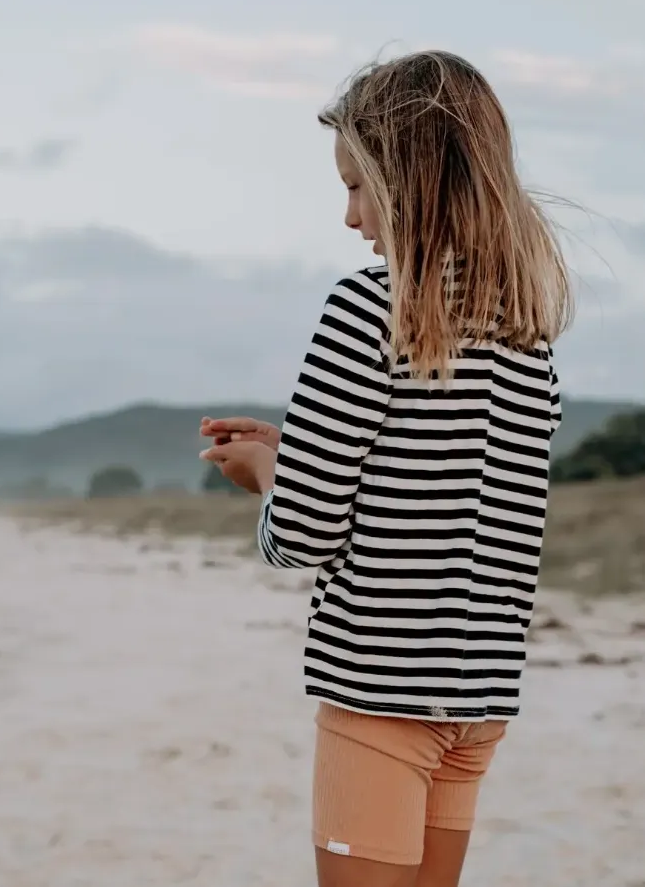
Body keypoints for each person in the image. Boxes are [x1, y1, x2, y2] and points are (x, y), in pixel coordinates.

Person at [199, 50, 571, 887]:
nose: (350, 217)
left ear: (413, 183)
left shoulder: (368, 308)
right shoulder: (528, 342)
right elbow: (442, 490)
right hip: (477, 700)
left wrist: (266, 476)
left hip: (381, 693)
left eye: (357, 186)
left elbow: (302, 535)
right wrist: (297, 451)